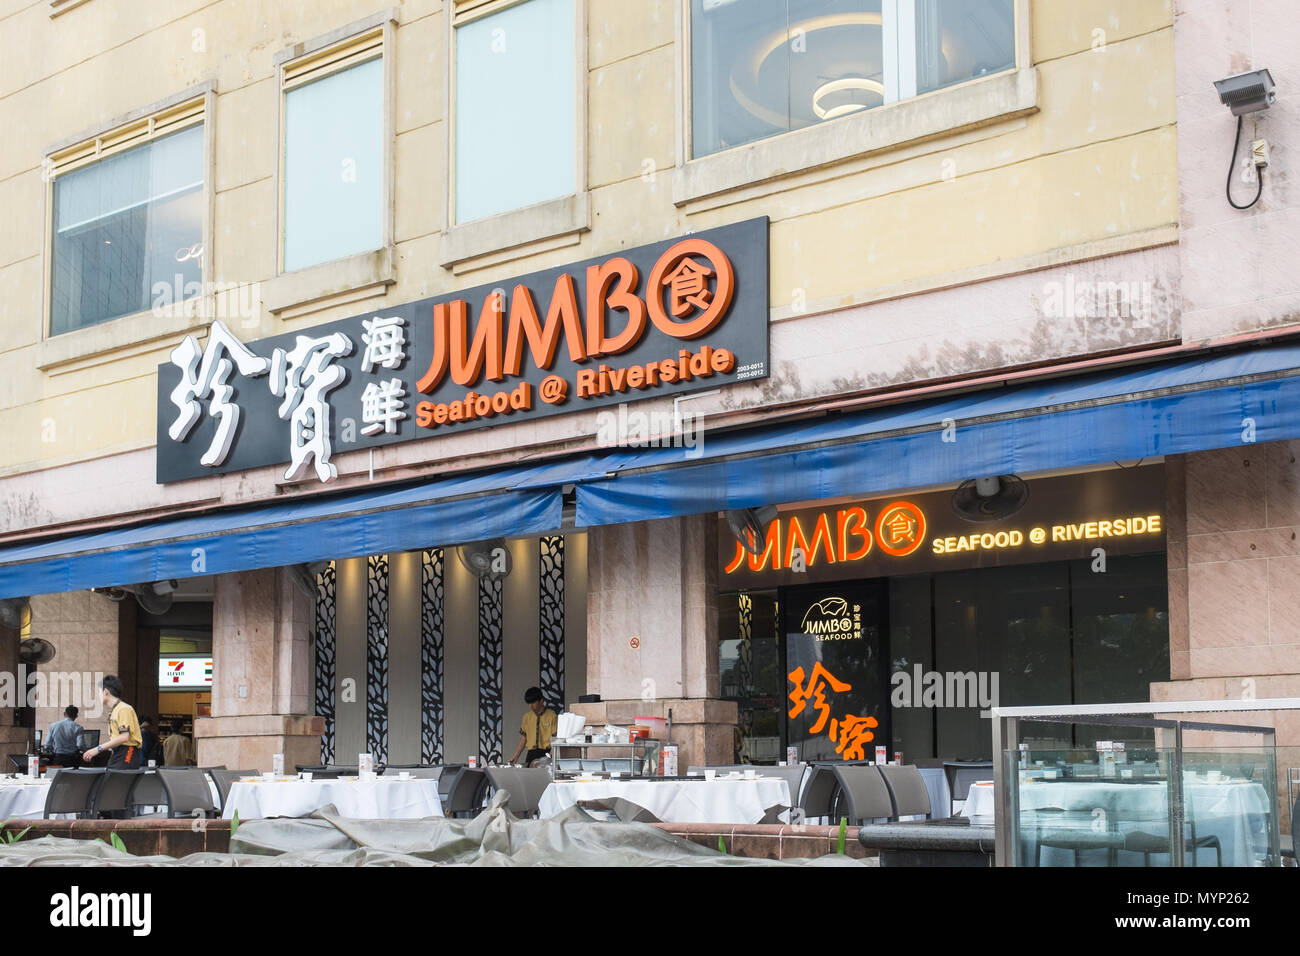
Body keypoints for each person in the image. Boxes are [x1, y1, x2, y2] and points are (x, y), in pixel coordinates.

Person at [82, 675, 143, 769]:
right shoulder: (116, 710)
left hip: (127, 752)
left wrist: (98, 749)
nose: (98, 696)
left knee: (115, 782)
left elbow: (124, 737)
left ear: (106, 692)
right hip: (119, 753)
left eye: (99, 692)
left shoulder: (123, 709)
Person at [509, 687, 557, 767]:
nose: (530, 706)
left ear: (541, 701)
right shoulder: (526, 717)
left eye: (533, 703)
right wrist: (516, 756)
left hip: (546, 753)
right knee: (528, 777)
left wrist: (549, 758)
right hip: (531, 754)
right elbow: (524, 738)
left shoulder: (552, 716)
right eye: (529, 703)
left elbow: (555, 740)